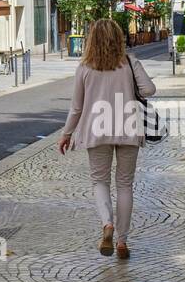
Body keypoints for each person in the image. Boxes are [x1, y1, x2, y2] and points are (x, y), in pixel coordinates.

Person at [56, 18, 156, 260]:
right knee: (124, 184)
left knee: (99, 182)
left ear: (92, 40)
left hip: (96, 130)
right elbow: (149, 90)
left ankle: (107, 224)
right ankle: (122, 242)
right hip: (127, 128)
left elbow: (76, 108)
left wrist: (66, 134)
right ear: (118, 38)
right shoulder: (130, 62)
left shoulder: (85, 68)